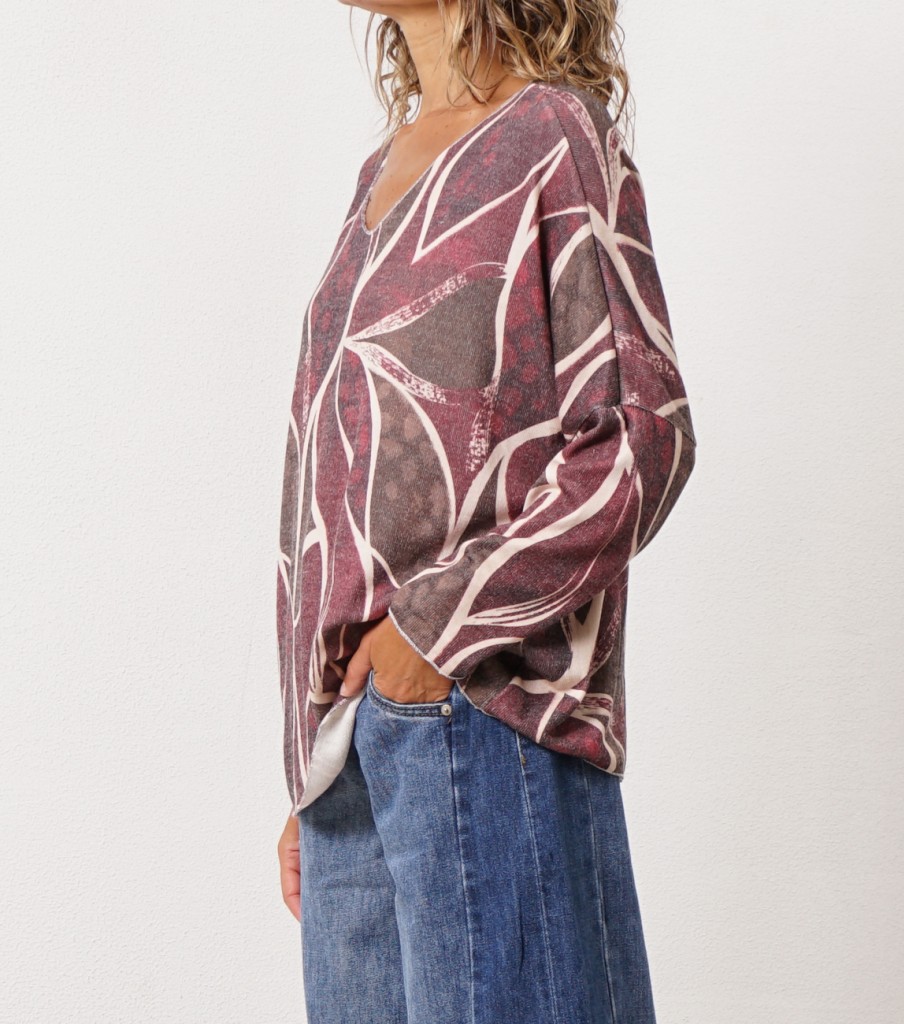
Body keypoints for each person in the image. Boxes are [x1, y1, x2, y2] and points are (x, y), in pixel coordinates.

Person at [275, 1, 698, 1021]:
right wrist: (317, 763)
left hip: (481, 711)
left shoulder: (550, 134)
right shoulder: (380, 171)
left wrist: (432, 636)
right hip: (352, 749)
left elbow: (642, 438)